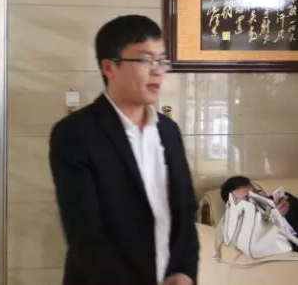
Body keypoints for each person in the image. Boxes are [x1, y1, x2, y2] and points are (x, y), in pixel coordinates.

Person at [49, 15, 199, 285]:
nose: (158, 70)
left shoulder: (168, 131)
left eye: (161, 60)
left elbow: (186, 210)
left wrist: (185, 272)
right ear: (109, 67)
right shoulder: (75, 134)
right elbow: (85, 236)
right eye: (145, 60)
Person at [220, 175, 298, 249]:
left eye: (255, 192)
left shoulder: (284, 199)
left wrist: (288, 212)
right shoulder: (241, 229)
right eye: (248, 198)